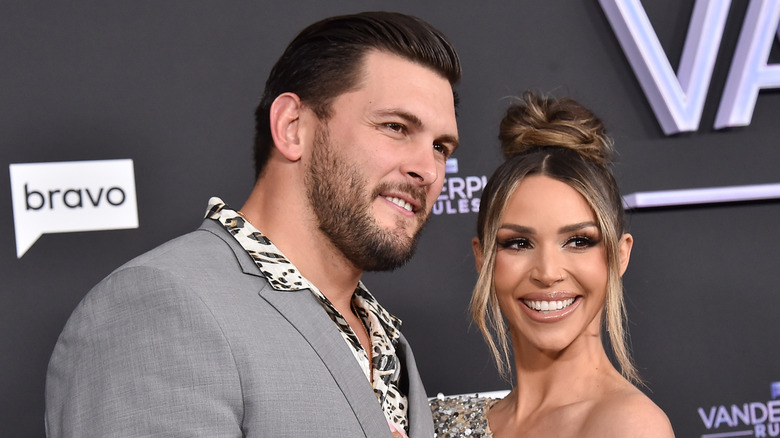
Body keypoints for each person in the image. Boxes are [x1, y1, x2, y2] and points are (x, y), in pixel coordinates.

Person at [45, 11, 460, 438]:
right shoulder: (159, 307)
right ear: (292, 127)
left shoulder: (387, 340)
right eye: (395, 126)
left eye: (441, 147)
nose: (427, 169)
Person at [430, 91, 674, 437]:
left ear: (620, 256)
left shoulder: (628, 425)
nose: (547, 272)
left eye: (578, 242)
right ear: (483, 257)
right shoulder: (443, 423)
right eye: (518, 243)